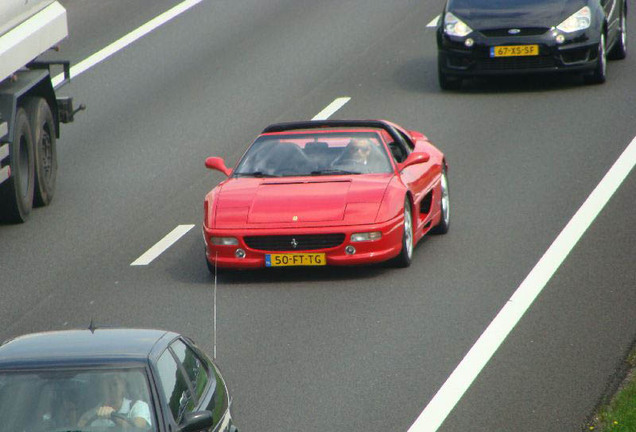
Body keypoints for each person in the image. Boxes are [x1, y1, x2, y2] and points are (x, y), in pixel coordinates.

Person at [77, 372, 151, 430]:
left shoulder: (138, 406)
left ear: (123, 386)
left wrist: (114, 417)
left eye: (115, 384)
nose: (111, 388)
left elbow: (139, 428)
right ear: (100, 388)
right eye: (107, 384)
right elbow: (79, 428)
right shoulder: (90, 415)